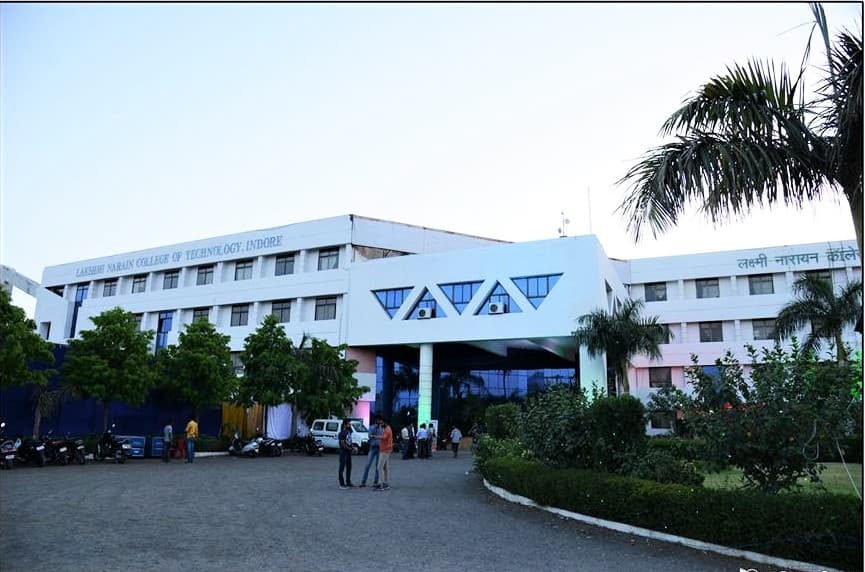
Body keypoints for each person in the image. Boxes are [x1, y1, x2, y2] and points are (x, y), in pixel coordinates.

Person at [360, 415, 384, 487]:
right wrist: (375, 434)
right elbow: (369, 435)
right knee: (367, 464)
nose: (379, 421)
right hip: (372, 447)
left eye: (380, 420)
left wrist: (375, 436)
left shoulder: (382, 428)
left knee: (377, 466)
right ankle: (363, 481)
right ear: (376, 420)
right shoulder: (372, 427)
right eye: (378, 420)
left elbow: (383, 437)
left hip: (379, 448)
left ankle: (376, 482)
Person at [375, 417, 393, 491]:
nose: (381, 424)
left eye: (382, 423)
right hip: (386, 450)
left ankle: (381, 484)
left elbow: (384, 437)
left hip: (385, 450)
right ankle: (385, 483)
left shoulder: (387, 429)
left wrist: (375, 436)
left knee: (380, 467)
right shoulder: (387, 428)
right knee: (385, 468)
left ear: (385, 422)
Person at [337, 419, 355, 489]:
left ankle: (348, 482)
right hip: (343, 452)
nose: (350, 425)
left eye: (350, 424)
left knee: (349, 467)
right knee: (342, 468)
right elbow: (342, 444)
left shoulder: (349, 432)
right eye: (348, 424)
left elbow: (350, 441)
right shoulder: (341, 433)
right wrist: (349, 448)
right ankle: (342, 484)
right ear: (345, 425)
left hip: (348, 452)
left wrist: (353, 448)